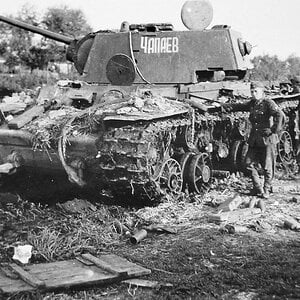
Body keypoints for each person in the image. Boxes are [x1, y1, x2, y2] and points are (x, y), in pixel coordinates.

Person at [213, 82, 285, 198]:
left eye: (256, 91)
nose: (253, 93)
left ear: (262, 92)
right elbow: (239, 106)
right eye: (252, 91)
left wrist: (273, 130)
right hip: (255, 139)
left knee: (267, 167)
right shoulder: (253, 103)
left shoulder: (268, 103)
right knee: (247, 164)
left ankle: (266, 190)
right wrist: (223, 106)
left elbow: (280, 115)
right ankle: (257, 188)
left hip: (267, 139)